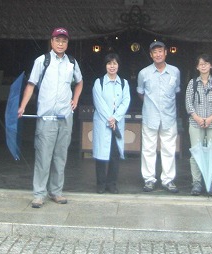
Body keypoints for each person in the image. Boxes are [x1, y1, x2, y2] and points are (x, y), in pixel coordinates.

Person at [18, 27, 83, 209]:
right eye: (57, 40)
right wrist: (22, 106)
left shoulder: (72, 62)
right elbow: (31, 84)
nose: (61, 44)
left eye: (64, 41)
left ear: (67, 43)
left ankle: (56, 191)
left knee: (60, 157)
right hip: (46, 117)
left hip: (65, 116)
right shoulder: (42, 61)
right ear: (52, 41)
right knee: (43, 156)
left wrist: (75, 100)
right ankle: (39, 194)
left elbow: (79, 82)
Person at [137, 40, 181, 193]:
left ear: (166, 52)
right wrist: (151, 105)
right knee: (148, 149)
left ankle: (168, 180)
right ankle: (149, 179)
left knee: (169, 149)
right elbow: (140, 92)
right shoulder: (144, 73)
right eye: (154, 52)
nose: (158, 54)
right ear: (151, 55)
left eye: (160, 51)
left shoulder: (175, 71)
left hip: (169, 116)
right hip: (150, 116)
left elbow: (176, 91)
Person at [185, 54, 212, 196]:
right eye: (200, 64)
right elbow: (188, 103)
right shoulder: (192, 83)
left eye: (206, 63)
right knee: (196, 152)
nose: (203, 66)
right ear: (197, 67)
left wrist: (210, 118)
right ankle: (196, 182)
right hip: (195, 122)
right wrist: (197, 118)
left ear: (210, 66)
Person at [91, 53, 131, 194]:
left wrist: (115, 118)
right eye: (109, 63)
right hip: (103, 123)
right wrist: (110, 118)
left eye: (114, 63)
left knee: (114, 154)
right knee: (101, 154)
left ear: (118, 65)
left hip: (117, 123)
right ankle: (101, 184)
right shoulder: (99, 82)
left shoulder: (124, 83)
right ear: (105, 66)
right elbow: (99, 103)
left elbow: (126, 101)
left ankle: (112, 184)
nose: (112, 66)